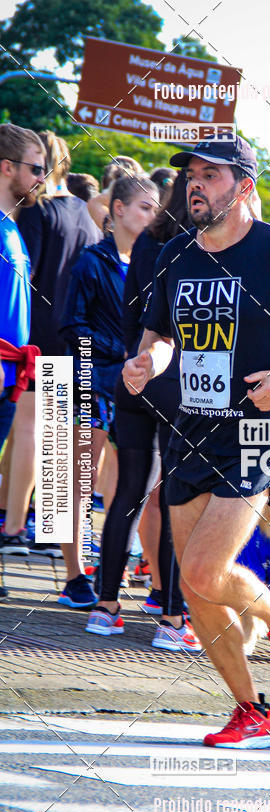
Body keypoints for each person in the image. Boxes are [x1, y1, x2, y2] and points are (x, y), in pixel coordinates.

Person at [125, 136, 270, 747]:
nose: (195, 185)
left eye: (211, 175)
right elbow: (159, 336)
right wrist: (147, 363)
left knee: (206, 568)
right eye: (191, 176)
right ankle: (251, 709)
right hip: (191, 429)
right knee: (194, 587)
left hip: (258, 432)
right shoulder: (175, 253)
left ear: (244, 186)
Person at [84, 172, 200, 650]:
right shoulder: (203, 245)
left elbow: (132, 314)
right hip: (179, 381)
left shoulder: (149, 242)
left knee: (127, 495)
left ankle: (105, 606)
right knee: (174, 499)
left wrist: (137, 357)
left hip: (135, 372)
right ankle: (171, 619)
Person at [58, 175, 159, 610]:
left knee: (133, 486)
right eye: (145, 207)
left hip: (136, 388)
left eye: (156, 209)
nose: (153, 216)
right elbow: (71, 325)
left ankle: (118, 568)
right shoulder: (90, 260)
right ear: (118, 209)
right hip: (91, 381)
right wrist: (111, 355)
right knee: (76, 480)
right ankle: (73, 576)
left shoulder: (153, 264)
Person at [0, 132, 100, 557]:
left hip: (34, 337)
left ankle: (13, 527)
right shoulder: (86, 216)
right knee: (56, 437)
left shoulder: (37, 213)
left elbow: (27, 278)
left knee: (28, 432)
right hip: (72, 339)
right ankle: (50, 534)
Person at [0, 124, 45, 451]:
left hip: (10, 377)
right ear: (7, 167)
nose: (42, 178)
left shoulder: (12, 227)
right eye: (36, 169)